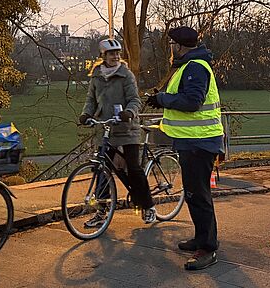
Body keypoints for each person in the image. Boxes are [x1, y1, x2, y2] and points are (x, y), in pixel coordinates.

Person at [146, 26, 223, 271]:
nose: (170, 50)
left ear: (179, 46)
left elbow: (192, 102)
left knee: (199, 195)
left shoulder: (196, 67)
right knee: (193, 193)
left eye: (172, 45)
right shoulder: (188, 66)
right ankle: (201, 238)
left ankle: (208, 249)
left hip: (200, 141)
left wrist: (162, 99)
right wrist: (161, 99)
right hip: (192, 140)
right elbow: (182, 97)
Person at [79, 38, 156, 227]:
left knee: (134, 168)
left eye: (117, 53)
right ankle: (101, 211)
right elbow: (91, 99)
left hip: (127, 128)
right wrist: (86, 114)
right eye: (111, 53)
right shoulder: (96, 76)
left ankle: (148, 206)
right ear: (103, 56)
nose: (115, 56)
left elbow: (134, 100)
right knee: (101, 170)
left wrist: (129, 113)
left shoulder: (126, 75)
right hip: (107, 129)